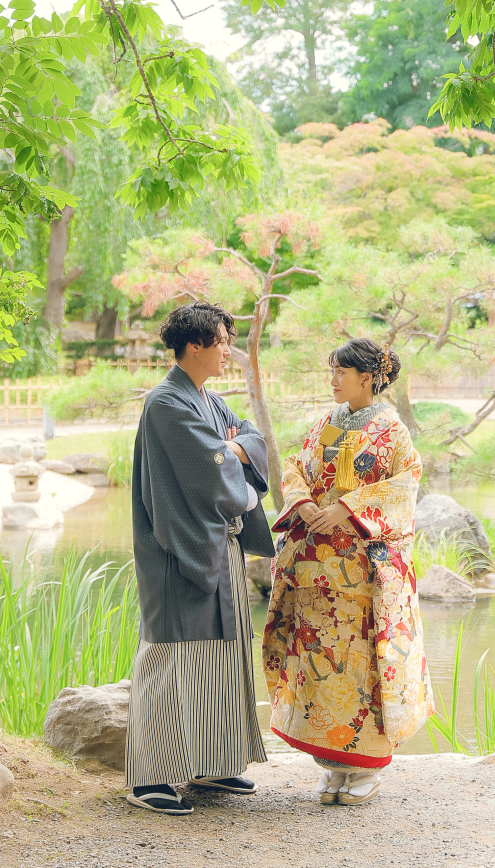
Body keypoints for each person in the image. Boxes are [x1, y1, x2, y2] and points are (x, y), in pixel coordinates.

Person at [262, 337, 433, 806]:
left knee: (362, 664)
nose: (333, 379)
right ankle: (332, 764)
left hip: (362, 571)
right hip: (318, 568)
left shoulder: (391, 430)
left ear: (368, 377)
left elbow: (404, 485)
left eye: (341, 372)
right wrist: (304, 502)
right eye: (331, 370)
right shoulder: (326, 423)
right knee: (319, 663)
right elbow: (296, 468)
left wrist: (347, 509)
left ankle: (365, 768)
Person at [125, 301, 274, 815]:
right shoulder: (166, 403)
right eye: (223, 342)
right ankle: (149, 776)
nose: (228, 351)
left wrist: (232, 447)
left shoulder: (205, 400)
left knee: (221, 656)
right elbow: (211, 471)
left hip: (217, 545)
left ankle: (212, 762)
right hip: (178, 547)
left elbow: (253, 439)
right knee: (170, 658)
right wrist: (229, 451)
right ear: (196, 346)